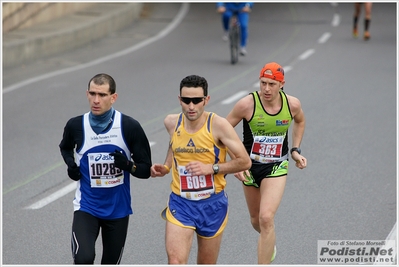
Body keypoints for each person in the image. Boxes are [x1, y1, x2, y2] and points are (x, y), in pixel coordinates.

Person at [150, 74, 251, 264]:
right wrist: (166, 166)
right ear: (179, 99)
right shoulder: (172, 123)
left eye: (196, 101)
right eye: (186, 100)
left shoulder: (219, 125)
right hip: (181, 203)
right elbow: (175, 145)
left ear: (206, 100)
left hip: (212, 205)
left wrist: (211, 168)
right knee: (175, 261)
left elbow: (245, 161)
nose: (191, 106)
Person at [59, 73, 152, 264]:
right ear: (87, 94)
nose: (96, 100)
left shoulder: (129, 126)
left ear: (113, 97)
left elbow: (145, 170)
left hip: (118, 210)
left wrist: (128, 165)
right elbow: (65, 147)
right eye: (92, 94)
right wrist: (71, 165)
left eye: (102, 95)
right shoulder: (76, 125)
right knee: (83, 258)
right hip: (86, 207)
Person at [225, 62, 307, 264]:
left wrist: (295, 150)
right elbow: (222, 131)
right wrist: (236, 160)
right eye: (263, 83)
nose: (266, 89)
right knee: (256, 221)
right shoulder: (247, 104)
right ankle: (269, 241)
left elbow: (300, 121)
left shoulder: (292, 104)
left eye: (272, 84)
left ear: (282, 84)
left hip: (277, 166)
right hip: (249, 167)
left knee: (266, 218)